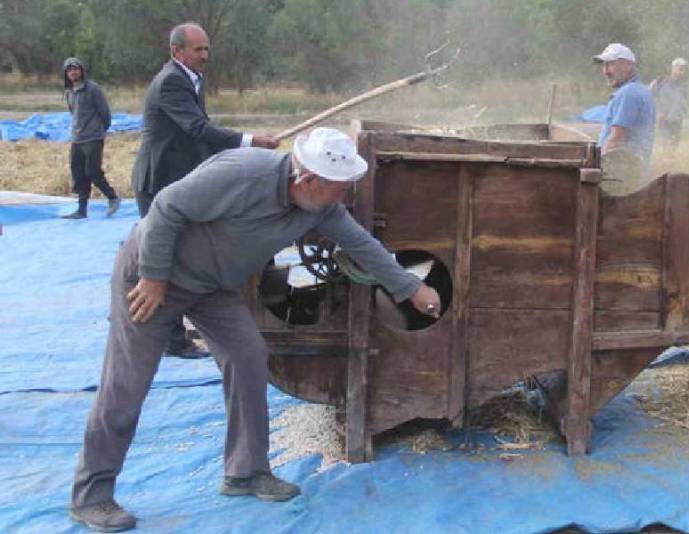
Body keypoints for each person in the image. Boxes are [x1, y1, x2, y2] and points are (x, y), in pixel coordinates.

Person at [70, 127, 442, 532]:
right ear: (308, 180)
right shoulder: (243, 174)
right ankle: (92, 495)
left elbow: (361, 245)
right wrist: (155, 275)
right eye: (339, 187)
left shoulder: (320, 205)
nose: (345, 196)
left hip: (212, 288)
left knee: (248, 357)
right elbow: (167, 206)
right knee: (126, 384)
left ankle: (245, 471)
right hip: (151, 279)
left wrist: (410, 288)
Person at [132, 22, 279, 358]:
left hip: (179, 182)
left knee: (180, 256)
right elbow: (198, 128)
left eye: (206, 49)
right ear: (177, 51)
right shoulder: (171, 82)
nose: (204, 55)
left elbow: (200, 134)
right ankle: (170, 340)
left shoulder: (191, 79)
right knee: (161, 259)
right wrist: (250, 141)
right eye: (197, 49)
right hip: (159, 183)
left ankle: (177, 329)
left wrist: (241, 154)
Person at [60, 57, 121, 219]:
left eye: (76, 69)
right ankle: (82, 210)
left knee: (93, 172)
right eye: (70, 70)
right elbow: (73, 113)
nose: (73, 72)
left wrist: (100, 130)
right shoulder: (69, 91)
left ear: (82, 71)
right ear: (66, 73)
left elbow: (105, 113)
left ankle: (113, 198)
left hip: (93, 137)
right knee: (78, 174)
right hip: (77, 138)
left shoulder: (93, 89)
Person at [592, 43, 656, 195]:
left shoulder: (628, 94)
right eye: (604, 65)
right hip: (633, 172)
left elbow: (617, 138)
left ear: (628, 66)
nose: (606, 71)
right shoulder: (641, 90)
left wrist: (595, 166)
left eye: (611, 64)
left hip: (619, 175)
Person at [649, 57, 689, 151]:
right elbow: (650, 96)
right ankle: (665, 160)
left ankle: (670, 162)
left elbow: (684, 101)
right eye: (680, 68)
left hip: (677, 119)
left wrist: (683, 111)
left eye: (684, 69)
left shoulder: (683, 85)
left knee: (675, 143)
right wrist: (658, 111)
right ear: (673, 68)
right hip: (663, 118)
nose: (682, 71)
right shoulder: (661, 82)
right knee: (666, 143)